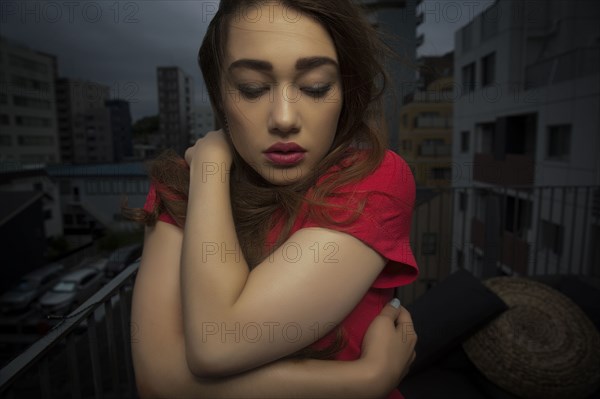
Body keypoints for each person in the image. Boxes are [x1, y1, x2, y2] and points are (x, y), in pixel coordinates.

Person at [127, 0, 419, 397]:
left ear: (345, 91)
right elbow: (158, 382)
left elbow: (217, 344)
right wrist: (365, 380)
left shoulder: (376, 177)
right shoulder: (182, 183)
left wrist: (207, 167)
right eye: (251, 88)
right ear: (220, 96)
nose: (284, 118)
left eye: (315, 87)